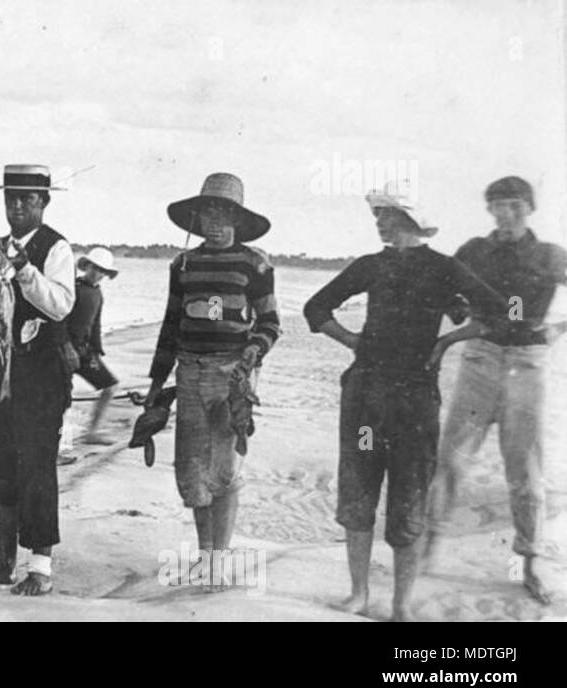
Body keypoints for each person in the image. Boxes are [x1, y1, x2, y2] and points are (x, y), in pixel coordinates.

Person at [304, 184, 505, 621]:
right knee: (359, 489)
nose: (379, 221)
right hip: (365, 400)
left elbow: (505, 309)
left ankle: (401, 604)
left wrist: (448, 340)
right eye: (377, 215)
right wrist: (352, 340)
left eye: (388, 215)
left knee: (409, 497)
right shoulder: (370, 266)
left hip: (415, 402)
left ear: (411, 221)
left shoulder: (445, 267)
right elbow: (315, 308)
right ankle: (358, 594)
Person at [425, 176, 567, 605]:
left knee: (525, 470)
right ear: (489, 209)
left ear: (530, 208)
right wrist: (465, 315)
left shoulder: (549, 255)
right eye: (498, 206)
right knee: (451, 458)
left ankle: (531, 560)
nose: (505, 214)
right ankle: (427, 546)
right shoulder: (474, 250)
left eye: (515, 206)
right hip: (480, 361)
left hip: (528, 365)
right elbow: (440, 288)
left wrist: (559, 327)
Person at [145, 173, 280, 581]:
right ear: (196, 217)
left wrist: (253, 350)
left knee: (223, 469)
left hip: (230, 374)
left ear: (238, 218)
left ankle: (219, 560)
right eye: (208, 212)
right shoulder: (183, 264)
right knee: (189, 471)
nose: (215, 221)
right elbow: (170, 326)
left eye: (224, 213)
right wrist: (155, 383)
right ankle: (205, 555)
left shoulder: (254, 263)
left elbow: (271, 321)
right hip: (188, 371)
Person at [0, 164, 75, 596]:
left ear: (44, 203)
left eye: (28, 199)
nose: (18, 206)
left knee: (37, 468)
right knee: (3, 468)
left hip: (41, 376)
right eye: (11, 199)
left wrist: (25, 270)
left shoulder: (56, 248)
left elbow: (61, 306)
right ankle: (4, 562)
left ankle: (40, 567)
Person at [69, 246, 120, 445]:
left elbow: (95, 324)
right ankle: (56, 444)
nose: (97, 274)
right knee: (60, 398)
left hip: (85, 353)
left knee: (110, 386)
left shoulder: (98, 294)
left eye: (102, 271)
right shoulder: (73, 288)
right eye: (94, 268)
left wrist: (97, 350)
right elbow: (60, 320)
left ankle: (93, 431)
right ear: (86, 266)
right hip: (65, 351)